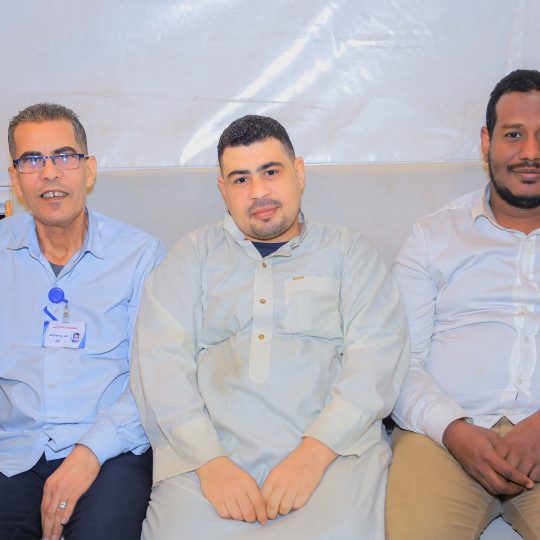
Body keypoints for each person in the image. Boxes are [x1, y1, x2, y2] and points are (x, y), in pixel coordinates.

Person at [131, 114, 409, 539]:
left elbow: (377, 360)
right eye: (241, 179)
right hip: (206, 464)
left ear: (299, 172)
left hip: (333, 457)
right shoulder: (193, 257)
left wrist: (313, 454)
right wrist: (211, 463)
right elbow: (160, 365)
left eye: (271, 172)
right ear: (223, 190)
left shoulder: (348, 252)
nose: (258, 192)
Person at [386, 69, 540, 540]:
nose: (530, 152)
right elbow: (399, 362)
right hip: (444, 438)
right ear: (486, 142)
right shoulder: (432, 235)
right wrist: (454, 430)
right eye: (513, 135)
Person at [0, 103, 165, 540]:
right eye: (32, 160)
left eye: (64, 156)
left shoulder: (140, 257)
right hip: (13, 451)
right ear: (15, 178)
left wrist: (90, 452)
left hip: (111, 452)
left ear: (89, 170)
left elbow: (153, 378)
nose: (49, 173)